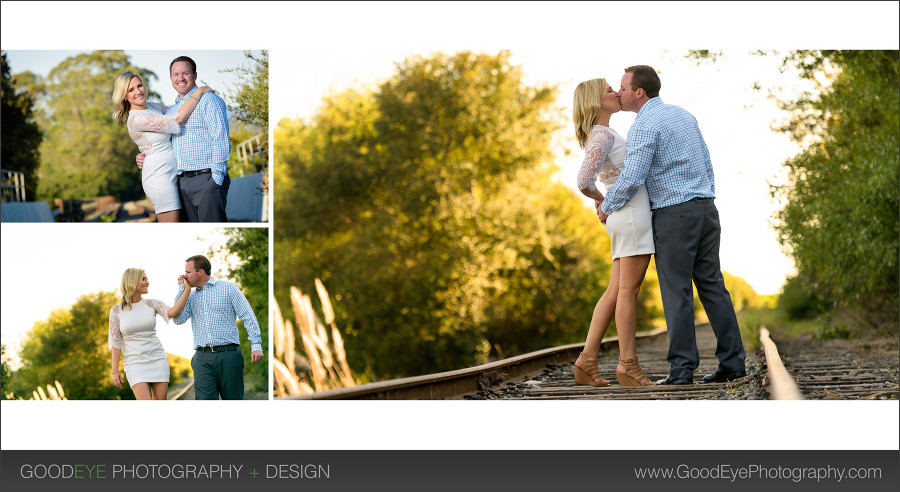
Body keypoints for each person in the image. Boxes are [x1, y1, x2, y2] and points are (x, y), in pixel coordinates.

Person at [599, 65, 746, 385]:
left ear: (639, 92)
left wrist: (607, 206)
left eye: (623, 87)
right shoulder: (684, 116)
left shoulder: (644, 125)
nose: (619, 92)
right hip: (706, 208)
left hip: (673, 215)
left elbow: (633, 176)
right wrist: (704, 197)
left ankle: (682, 371)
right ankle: (733, 363)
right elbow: (706, 162)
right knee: (713, 286)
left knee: (676, 290)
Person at [571, 78, 655, 387]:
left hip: (626, 216)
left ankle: (587, 361)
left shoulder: (603, 133)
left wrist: (605, 200)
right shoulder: (603, 134)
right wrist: (602, 200)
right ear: (596, 101)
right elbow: (583, 181)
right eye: (609, 90)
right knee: (627, 293)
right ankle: (628, 366)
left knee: (616, 290)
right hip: (631, 216)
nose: (616, 93)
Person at [138, 56, 232, 222]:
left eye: (186, 73)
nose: (180, 78)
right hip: (180, 184)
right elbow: (165, 143)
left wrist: (216, 180)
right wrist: (144, 155)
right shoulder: (171, 110)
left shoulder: (209, 100)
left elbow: (220, 139)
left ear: (195, 75)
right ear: (170, 78)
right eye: (176, 74)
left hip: (206, 180)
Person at [112, 71, 213, 222]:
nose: (138, 91)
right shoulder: (136, 119)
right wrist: (199, 91)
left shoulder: (153, 106)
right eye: (130, 90)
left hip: (176, 173)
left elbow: (180, 110)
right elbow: (177, 119)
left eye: (139, 85)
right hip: (159, 177)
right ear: (124, 96)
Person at [174, 255, 263, 399]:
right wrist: (181, 290)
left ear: (201, 272)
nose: (184, 275)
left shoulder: (228, 288)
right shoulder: (189, 296)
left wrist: (256, 344)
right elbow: (178, 319)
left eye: (188, 272)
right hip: (202, 358)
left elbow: (248, 315)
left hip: (229, 355)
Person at [108, 268, 191, 399]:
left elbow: (173, 312)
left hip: (157, 359)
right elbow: (116, 343)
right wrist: (115, 370)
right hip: (134, 363)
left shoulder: (152, 304)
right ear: (132, 282)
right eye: (143, 279)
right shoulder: (116, 311)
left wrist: (186, 290)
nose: (148, 282)